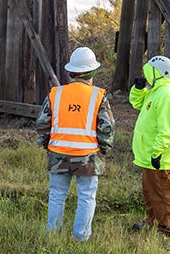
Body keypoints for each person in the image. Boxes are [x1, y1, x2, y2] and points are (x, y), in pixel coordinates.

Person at [35, 46, 115, 242]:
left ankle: (52, 235)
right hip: (88, 156)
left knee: (56, 195)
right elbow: (106, 127)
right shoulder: (98, 96)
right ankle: (81, 237)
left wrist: (47, 145)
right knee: (86, 196)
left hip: (58, 154)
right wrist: (104, 149)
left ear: (70, 72)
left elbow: (42, 123)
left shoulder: (56, 94)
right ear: (93, 72)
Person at [129, 55, 170, 238]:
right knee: (150, 191)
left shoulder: (167, 95)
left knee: (163, 193)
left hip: (159, 156)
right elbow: (137, 103)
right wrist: (138, 89)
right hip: (149, 154)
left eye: (148, 71)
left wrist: (157, 152)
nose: (145, 74)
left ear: (156, 72)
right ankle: (153, 222)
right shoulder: (156, 91)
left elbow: (167, 129)